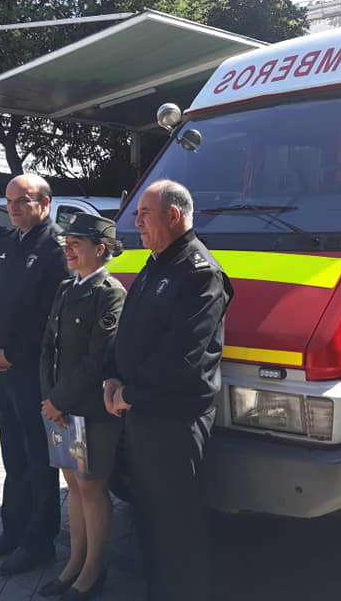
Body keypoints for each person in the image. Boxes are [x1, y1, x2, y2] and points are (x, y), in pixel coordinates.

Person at [104, 179, 233, 601]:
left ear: (173, 216)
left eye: (144, 214)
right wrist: (113, 377)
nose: (136, 222)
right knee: (149, 521)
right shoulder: (156, 263)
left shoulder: (199, 273)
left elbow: (184, 357)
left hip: (173, 421)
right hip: (141, 415)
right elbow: (132, 331)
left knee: (177, 530)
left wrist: (131, 392)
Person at [0, 174, 69, 575]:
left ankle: (38, 541)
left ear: (44, 203)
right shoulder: (6, 246)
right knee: (13, 454)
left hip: (33, 373)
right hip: (4, 372)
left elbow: (52, 316)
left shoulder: (56, 249)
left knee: (37, 458)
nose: (13, 207)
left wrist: (15, 353)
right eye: (9, 200)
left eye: (22, 200)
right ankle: (12, 531)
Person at [38, 214, 126, 600]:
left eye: (77, 243)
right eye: (66, 242)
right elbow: (48, 350)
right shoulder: (64, 288)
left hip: (90, 409)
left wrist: (58, 400)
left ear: (101, 249)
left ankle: (93, 570)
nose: (68, 249)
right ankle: (74, 562)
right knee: (72, 485)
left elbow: (98, 360)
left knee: (91, 488)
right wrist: (49, 400)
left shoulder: (110, 293)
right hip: (59, 408)